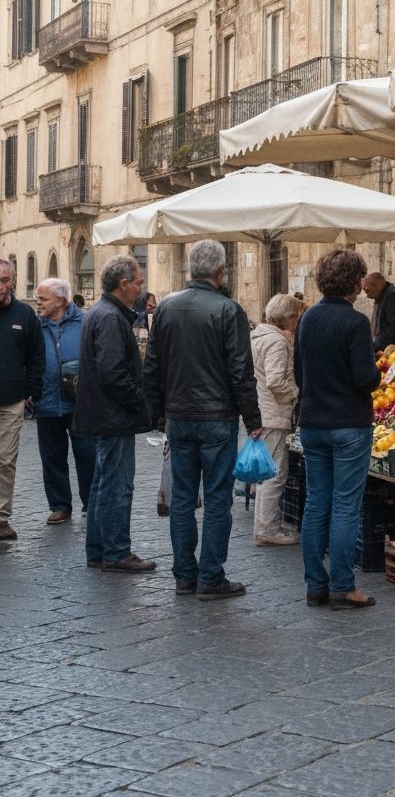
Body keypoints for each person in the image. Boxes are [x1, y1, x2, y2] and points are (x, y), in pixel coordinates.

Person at [144, 240, 262, 600]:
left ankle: (184, 576)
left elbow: (151, 367)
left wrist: (158, 413)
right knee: (216, 498)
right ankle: (211, 576)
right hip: (216, 418)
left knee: (182, 498)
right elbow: (241, 371)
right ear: (220, 272)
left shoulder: (165, 309)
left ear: (190, 270)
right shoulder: (229, 310)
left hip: (179, 417)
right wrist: (253, 417)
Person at [295, 248, 381, 610]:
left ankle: (316, 585)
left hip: (313, 422)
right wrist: (375, 374)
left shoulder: (307, 318)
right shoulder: (355, 322)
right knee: (346, 505)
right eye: (360, 278)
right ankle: (343, 585)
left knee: (316, 503)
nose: (363, 285)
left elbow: (299, 372)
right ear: (354, 282)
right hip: (348, 424)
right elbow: (365, 377)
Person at [73, 255, 154, 571]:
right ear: (124, 285)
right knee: (116, 485)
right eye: (138, 283)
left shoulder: (103, 312)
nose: (141, 289)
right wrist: (139, 401)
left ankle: (99, 550)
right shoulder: (109, 317)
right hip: (113, 415)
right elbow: (113, 372)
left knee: (102, 482)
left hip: (104, 414)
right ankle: (116, 551)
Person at [34, 277, 96, 525]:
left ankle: (91, 502)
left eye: (43, 299)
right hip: (46, 400)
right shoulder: (35, 324)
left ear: (60, 300)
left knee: (87, 453)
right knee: (51, 456)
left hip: (80, 402)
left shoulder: (85, 322)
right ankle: (60, 505)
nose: (38, 303)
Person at [250, 293, 302, 546]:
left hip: (263, 411)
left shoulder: (258, 336)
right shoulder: (277, 342)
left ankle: (264, 526)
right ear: (289, 318)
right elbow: (275, 381)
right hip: (274, 414)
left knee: (267, 474)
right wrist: (297, 391)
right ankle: (267, 530)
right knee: (275, 474)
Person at [0, 258, 45, 542]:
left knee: (5, 460)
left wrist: (32, 390)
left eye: (4, 280)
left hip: (12, 400)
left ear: (13, 282)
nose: (0, 286)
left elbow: (37, 356)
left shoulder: (24, 315)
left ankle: (1, 517)